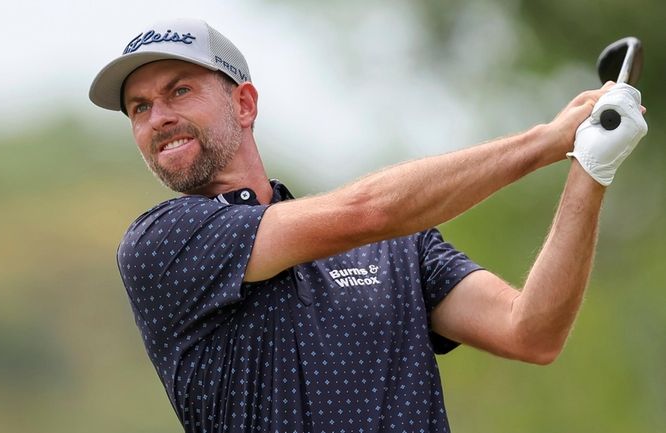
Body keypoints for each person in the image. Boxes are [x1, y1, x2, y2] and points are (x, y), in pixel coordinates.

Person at [89, 18, 647, 433]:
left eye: (178, 90)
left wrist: (591, 166)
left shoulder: (396, 248)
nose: (158, 117)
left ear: (244, 104)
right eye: (139, 108)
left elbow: (532, 332)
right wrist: (548, 140)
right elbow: (369, 211)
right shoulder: (161, 242)